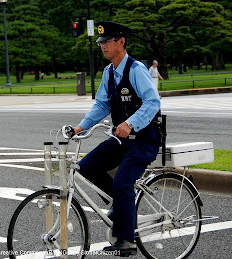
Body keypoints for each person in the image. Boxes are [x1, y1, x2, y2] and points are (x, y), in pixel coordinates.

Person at [72, 21, 161, 257]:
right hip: (121, 139)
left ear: (121, 42)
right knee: (86, 166)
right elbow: (102, 104)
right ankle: (121, 207)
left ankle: (127, 239)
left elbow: (153, 102)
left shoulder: (136, 69)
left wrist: (130, 122)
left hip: (144, 140)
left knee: (123, 182)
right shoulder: (109, 72)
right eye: (100, 42)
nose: (102, 46)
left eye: (106, 41)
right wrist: (80, 127)